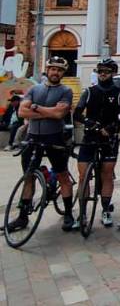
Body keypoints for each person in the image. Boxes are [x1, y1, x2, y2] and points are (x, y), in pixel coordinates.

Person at [9, 57, 74, 232]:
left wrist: (35, 109)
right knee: (28, 177)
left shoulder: (65, 91)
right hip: (32, 138)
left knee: (62, 175)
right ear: (48, 69)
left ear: (63, 73)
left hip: (55, 138)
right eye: (53, 69)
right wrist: (48, 111)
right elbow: (23, 111)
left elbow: (59, 114)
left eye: (59, 70)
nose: (56, 72)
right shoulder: (34, 89)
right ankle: (22, 217)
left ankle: (68, 214)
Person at [72, 58, 120, 227]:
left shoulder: (119, 93)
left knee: (107, 174)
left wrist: (110, 128)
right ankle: (82, 213)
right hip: (90, 137)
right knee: (82, 176)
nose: (102, 74)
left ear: (113, 73)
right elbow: (78, 114)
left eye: (107, 71)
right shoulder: (89, 91)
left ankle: (106, 209)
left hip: (109, 139)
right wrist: (90, 123)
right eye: (100, 71)